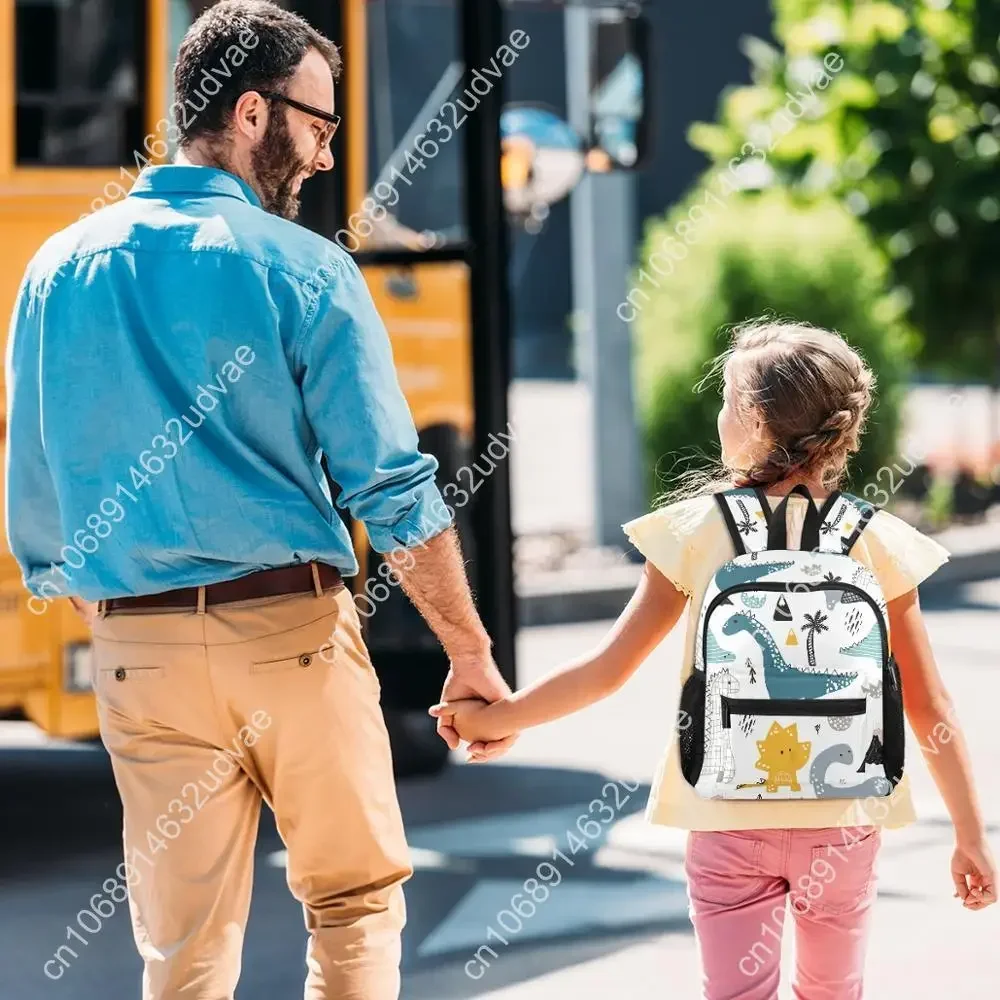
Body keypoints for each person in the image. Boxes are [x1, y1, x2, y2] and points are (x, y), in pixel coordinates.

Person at [5, 2, 512, 997]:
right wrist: (467, 651)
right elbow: (391, 486)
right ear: (250, 112)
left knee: (183, 949)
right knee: (353, 901)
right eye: (319, 126)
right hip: (288, 633)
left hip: (136, 653)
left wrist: (120, 613)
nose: (324, 157)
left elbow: (34, 484)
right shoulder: (304, 267)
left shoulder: (56, 268)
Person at [433, 321, 997, 999]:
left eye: (729, 402)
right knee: (833, 992)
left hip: (727, 810)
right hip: (845, 819)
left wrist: (497, 717)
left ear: (756, 420)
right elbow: (929, 705)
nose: (721, 415)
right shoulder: (873, 540)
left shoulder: (698, 531)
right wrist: (969, 835)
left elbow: (608, 669)